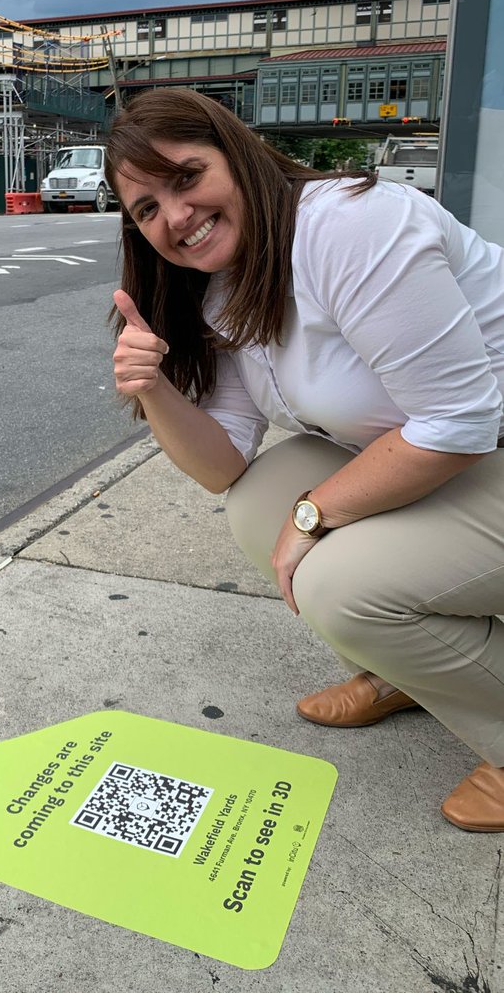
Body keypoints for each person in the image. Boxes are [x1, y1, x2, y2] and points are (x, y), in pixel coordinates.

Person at [108, 88, 504, 831]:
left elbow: (459, 422)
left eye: (186, 178)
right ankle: (411, 671)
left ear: (239, 151)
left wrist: (316, 515)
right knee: (258, 501)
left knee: (341, 586)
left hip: (484, 445)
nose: (175, 217)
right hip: (464, 458)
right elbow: (225, 463)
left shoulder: (351, 226)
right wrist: (153, 387)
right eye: (148, 209)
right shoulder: (224, 284)